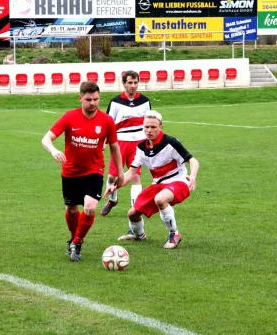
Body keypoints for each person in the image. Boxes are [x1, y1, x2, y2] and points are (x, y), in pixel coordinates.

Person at [42, 81, 124, 262]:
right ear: (80, 98)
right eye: (88, 99)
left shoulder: (106, 121)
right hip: (70, 171)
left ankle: (78, 242)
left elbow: (115, 148)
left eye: (96, 99)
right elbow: (46, 139)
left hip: (94, 170)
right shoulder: (70, 117)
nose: (93, 103)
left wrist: (120, 172)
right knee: (72, 210)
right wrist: (54, 150)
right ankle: (73, 238)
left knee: (89, 207)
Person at [104, 110, 199, 249]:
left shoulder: (171, 142)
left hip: (179, 181)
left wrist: (193, 176)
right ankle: (139, 235)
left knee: (160, 199)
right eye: (146, 127)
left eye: (153, 127)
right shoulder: (141, 148)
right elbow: (131, 173)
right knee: (132, 214)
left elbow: (193, 161)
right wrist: (115, 186)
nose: (149, 130)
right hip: (158, 184)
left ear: (161, 127)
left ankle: (174, 234)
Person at [100, 70, 151, 217]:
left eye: (135, 83)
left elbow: (148, 123)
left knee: (135, 176)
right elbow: (107, 124)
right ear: (123, 83)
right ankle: (112, 200)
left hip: (138, 144)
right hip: (119, 143)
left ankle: (135, 210)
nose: (133, 86)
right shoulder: (115, 102)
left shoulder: (145, 101)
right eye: (130, 82)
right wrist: (103, 141)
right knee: (111, 177)